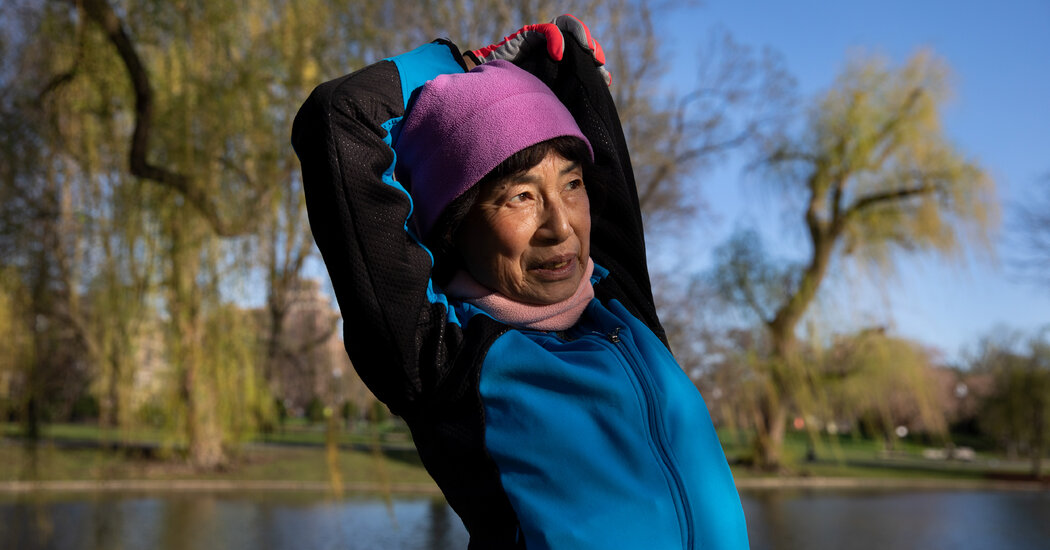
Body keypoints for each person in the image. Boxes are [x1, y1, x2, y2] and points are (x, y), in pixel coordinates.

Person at [291, 16, 749, 550]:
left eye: (572, 185)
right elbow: (338, 117)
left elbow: (588, 106)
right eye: (520, 197)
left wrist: (565, 69)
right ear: (458, 224)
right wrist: (459, 65)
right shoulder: (441, 357)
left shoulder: (618, 303)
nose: (560, 226)